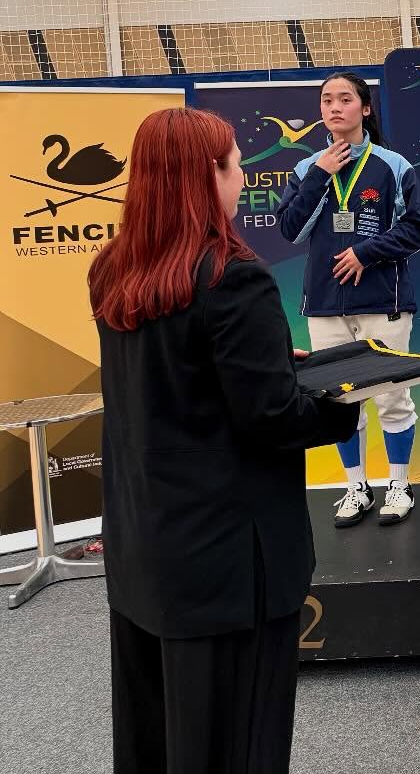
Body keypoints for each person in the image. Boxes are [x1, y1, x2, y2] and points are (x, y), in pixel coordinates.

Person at [90, 107, 355, 774]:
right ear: (205, 176)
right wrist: (343, 407)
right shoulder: (232, 278)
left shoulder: (113, 271)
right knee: (238, 745)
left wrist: (268, 361)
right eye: (235, 164)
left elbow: (179, 382)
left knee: (157, 740)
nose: (242, 177)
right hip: (231, 565)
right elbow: (271, 418)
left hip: (146, 552)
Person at [276, 72, 420, 528]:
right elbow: (289, 229)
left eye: (345, 99)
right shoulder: (307, 169)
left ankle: (398, 486)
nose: (335, 107)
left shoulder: (393, 166)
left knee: (392, 399)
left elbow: (418, 227)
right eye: (327, 100)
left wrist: (366, 252)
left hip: (384, 300)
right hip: (325, 305)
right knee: (341, 401)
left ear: (365, 109)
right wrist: (320, 176)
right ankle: (355, 487)